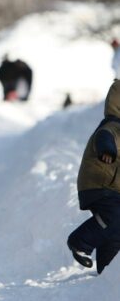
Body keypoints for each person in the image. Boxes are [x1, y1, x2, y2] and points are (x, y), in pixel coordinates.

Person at [67, 79, 120, 274]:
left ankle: (109, 270)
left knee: (115, 230)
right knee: (115, 216)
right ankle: (80, 242)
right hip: (98, 183)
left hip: (111, 188)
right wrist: (107, 150)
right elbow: (104, 138)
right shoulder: (113, 125)